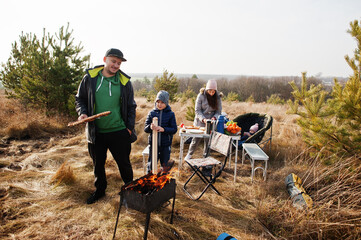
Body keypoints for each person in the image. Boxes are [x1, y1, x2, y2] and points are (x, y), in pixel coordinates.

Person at [75, 48, 137, 204]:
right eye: (113, 61)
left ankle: (130, 192)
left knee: (124, 165)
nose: (116, 65)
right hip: (96, 132)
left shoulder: (124, 82)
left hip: (119, 132)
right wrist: (82, 113)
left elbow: (131, 106)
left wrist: (128, 128)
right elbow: (80, 99)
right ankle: (100, 191)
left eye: (119, 63)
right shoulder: (90, 79)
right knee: (98, 165)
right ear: (105, 59)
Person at [185, 79, 222, 160]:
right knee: (196, 139)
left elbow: (218, 111)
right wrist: (203, 119)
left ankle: (206, 156)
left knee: (208, 140)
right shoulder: (201, 96)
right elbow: (197, 111)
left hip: (211, 122)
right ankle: (189, 154)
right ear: (207, 89)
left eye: (213, 91)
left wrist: (214, 118)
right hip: (200, 122)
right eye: (210, 91)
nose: (212, 93)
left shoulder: (218, 97)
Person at [144, 90, 177, 173]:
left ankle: (164, 182)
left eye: (162, 102)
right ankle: (149, 182)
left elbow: (174, 129)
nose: (159, 104)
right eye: (158, 102)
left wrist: (164, 129)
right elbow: (146, 129)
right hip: (153, 145)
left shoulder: (171, 114)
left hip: (165, 145)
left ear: (166, 103)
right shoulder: (151, 113)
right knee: (151, 165)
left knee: (165, 166)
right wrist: (150, 127)